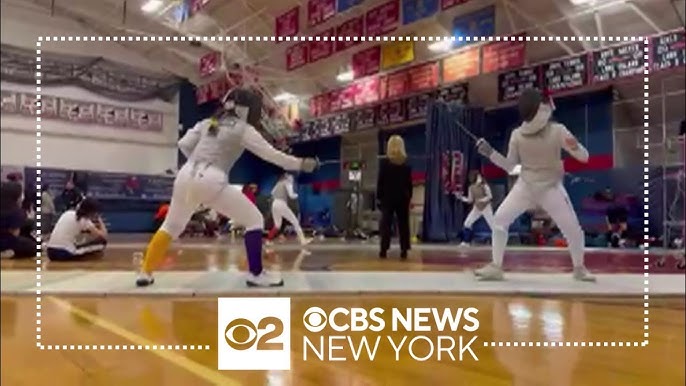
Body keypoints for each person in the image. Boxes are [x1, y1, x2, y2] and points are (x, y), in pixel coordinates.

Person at [135, 88, 318, 288]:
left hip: (185, 175)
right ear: (247, 109)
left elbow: (184, 143)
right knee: (255, 220)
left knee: (170, 226)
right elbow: (273, 156)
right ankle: (255, 274)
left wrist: (198, 164)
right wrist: (301, 164)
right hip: (212, 179)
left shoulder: (209, 123)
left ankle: (145, 272)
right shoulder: (243, 129)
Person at [473, 88, 594, 281]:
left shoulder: (558, 131)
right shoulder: (517, 135)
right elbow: (512, 167)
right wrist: (491, 153)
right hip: (525, 186)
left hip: (551, 188)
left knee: (572, 229)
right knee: (499, 220)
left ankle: (579, 269)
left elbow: (585, 157)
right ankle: (496, 266)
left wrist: (575, 147)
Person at [377, 135, 413, 259]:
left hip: (387, 198)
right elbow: (409, 184)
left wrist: (379, 197)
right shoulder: (406, 165)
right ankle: (404, 249)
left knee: (386, 224)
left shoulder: (384, 164)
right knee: (403, 224)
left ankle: (384, 249)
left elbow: (380, 182)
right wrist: (409, 197)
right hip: (403, 198)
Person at [266, 173, 311, 246]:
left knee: (277, 225)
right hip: (281, 203)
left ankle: (268, 240)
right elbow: (291, 195)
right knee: (295, 221)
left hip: (274, 204)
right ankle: (303, 241)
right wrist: (297, 195)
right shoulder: (287, 183)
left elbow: (272, 193)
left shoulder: (278, 183)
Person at [454, 170, 494, 247]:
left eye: (480, 176)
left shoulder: (485, 186)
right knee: (467, 223)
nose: (480, 178)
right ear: (474, 178)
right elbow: (470, 200)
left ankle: (498, 242)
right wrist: (461, 198)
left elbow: (490, 196)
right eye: (478, 177)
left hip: (486, 207)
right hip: (477, 208)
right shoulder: (471, 188)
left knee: (492, 225)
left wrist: (482, 200)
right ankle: (466, 242)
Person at [0, 181, 36, 259]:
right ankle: (6, 251)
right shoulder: (16, 211)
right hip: (6, 241)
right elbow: (14, 233)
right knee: (32, 247)